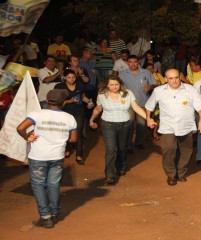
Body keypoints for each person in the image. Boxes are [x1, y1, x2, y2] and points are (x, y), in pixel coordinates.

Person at [16, 89, 77, 228]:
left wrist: (28, 136)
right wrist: (59, 137)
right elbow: (73, 139)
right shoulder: (69, 118)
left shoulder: (37, 114)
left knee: (38, 185)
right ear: (63, 103)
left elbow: (20, 128)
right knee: (53, 184)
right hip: (57, 156)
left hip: (38, 156)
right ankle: (55, 213)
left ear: (48, 101)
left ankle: (46, 217)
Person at [89, 75, 155, 184]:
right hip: (108, 124)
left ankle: (122, 165)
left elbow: (136, 107)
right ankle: (110, 175)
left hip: (124, 124)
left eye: (116, 84)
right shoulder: (102, 95)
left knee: (122, 147)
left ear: (120, 84)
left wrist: (148, 119)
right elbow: (97, 108)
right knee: (110, 149)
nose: (114, 87)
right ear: (107, 85)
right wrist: (91, 120)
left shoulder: (127, 93)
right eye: (111, 85)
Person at [145, 69, 201, 186]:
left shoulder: (191, 89)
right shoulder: (158, 91)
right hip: (167, 126)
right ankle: (171, 174)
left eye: (176, 77)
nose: (174, 80)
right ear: (166, 79)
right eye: (171, 78)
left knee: (186, 150)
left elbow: (200, 106)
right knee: (169, 148)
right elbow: (149, 106)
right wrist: (148, 118)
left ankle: (181, 172)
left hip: (186, 125)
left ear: (180, 77)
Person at [54, 69, 93, 164]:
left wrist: (90, 102)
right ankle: (67, 149)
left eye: (73, 77)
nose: (71, 79)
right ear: (64, 77)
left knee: (78, 132)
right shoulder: (59, 86)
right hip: (65, 111)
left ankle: (79, 155)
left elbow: (83, 96)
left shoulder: (80, 85)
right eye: (69, 77)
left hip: (78, 111)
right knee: (65, 131)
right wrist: (69, 101)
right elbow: (56, 102)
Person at [119, 55, 157, 150]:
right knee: (129, 123)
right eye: (130, 62)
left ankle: (139, 142)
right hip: (129, 104)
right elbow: (118, 87)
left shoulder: (146, 72)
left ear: (138, 63)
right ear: (127, 63)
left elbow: (155, 84)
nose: (133, 64)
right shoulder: (122, 74)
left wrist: (150, 86)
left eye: (135, 62)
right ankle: (128, 145)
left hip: (143, 103)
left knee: (142, 124)